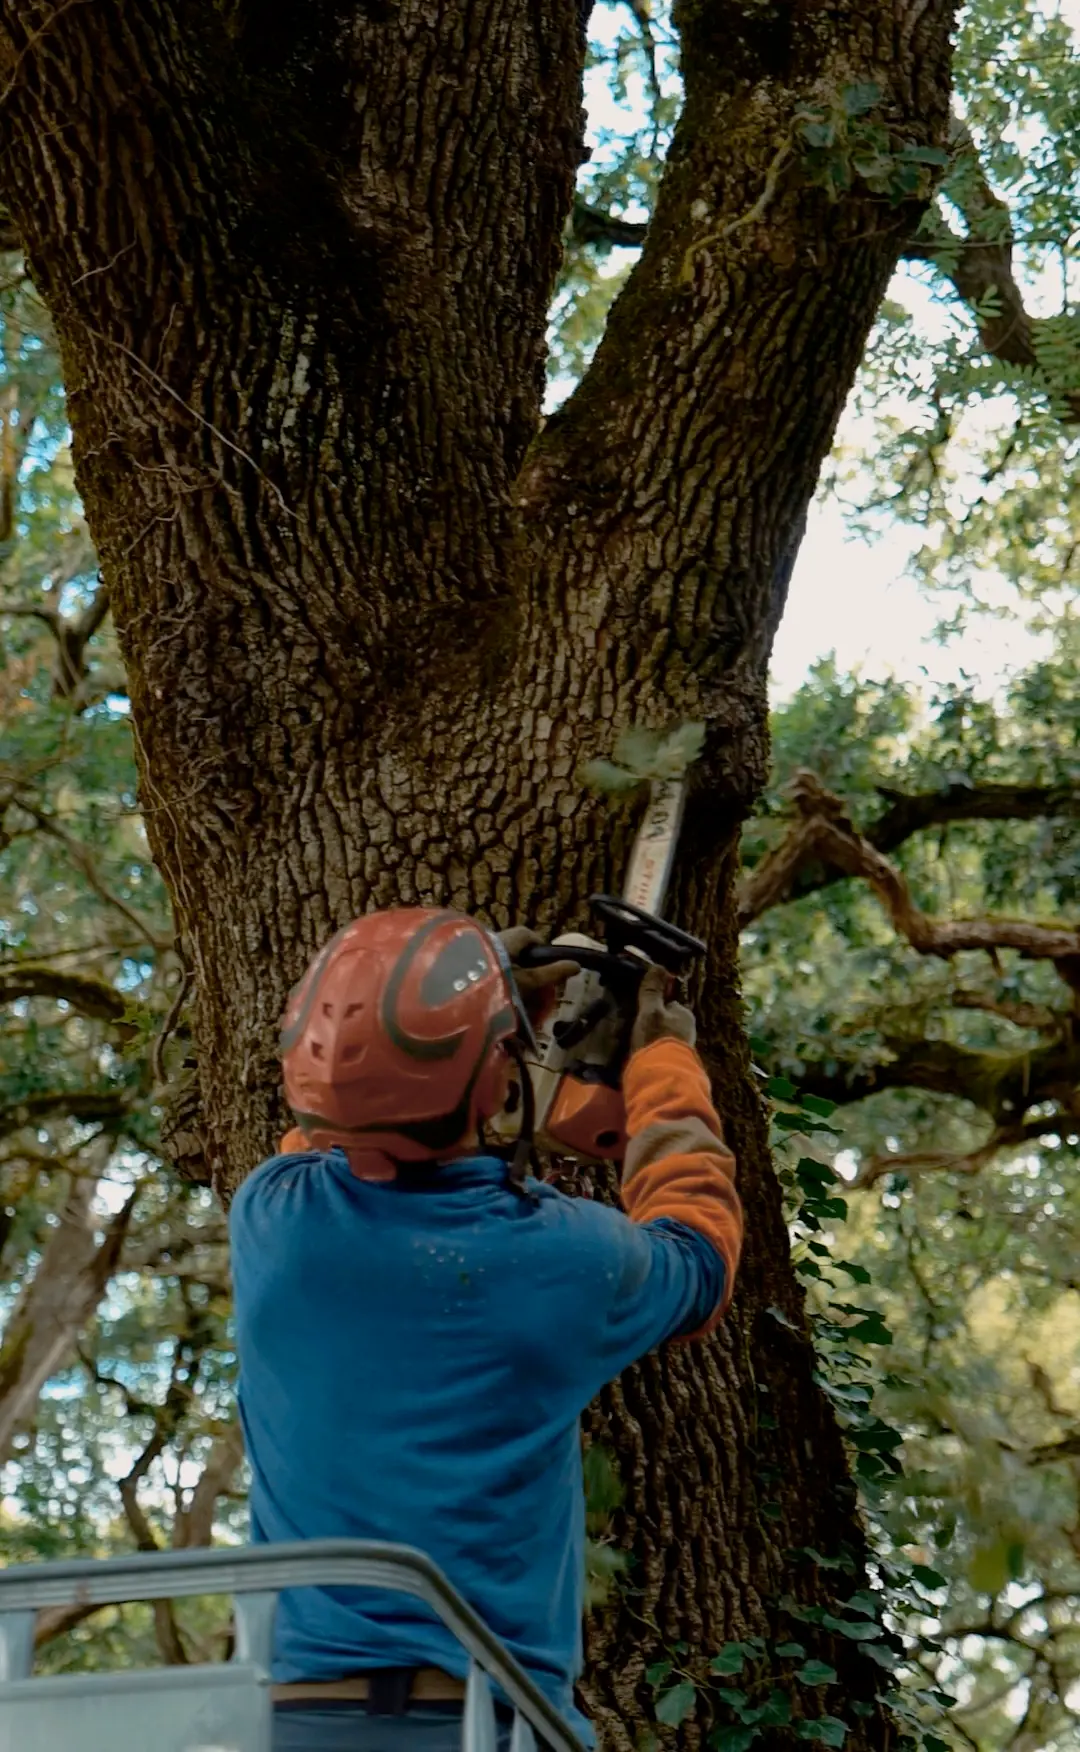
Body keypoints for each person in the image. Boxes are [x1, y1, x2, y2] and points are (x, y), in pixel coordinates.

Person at [229, 908, 744, 1752]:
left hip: (294, 1723)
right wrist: (660, 1065)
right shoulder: (567, 1259)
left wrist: (490, 1032)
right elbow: (698, 1258)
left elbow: (342, 1137)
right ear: (496, 1074)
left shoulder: (275, 1222)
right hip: (488, 1725)